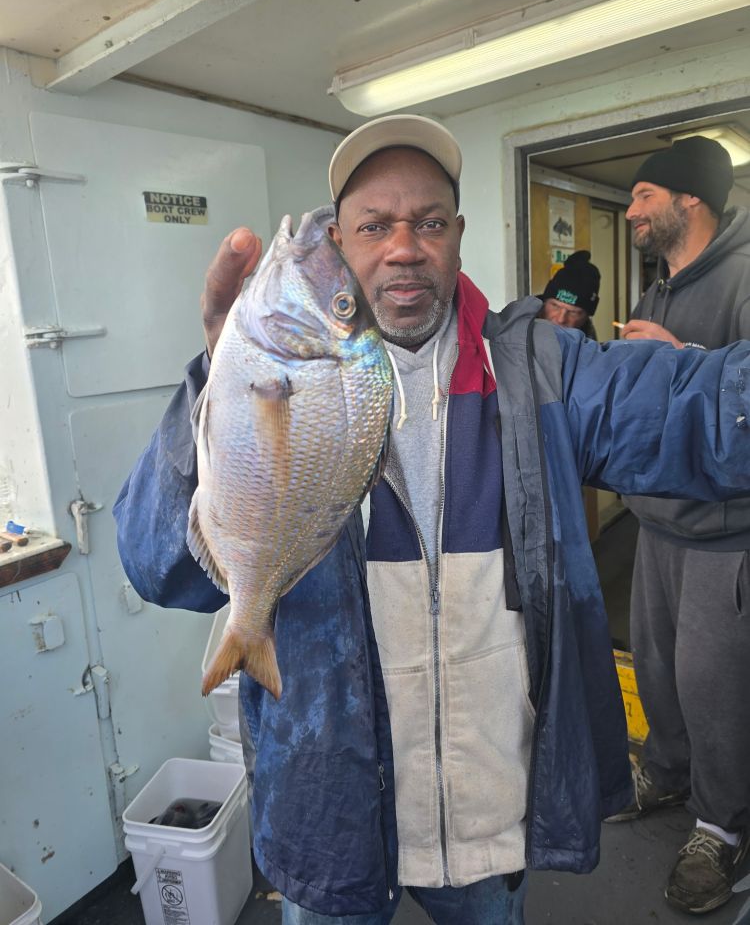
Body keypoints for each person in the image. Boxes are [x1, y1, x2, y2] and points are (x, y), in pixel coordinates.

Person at [113, 116, 750, 925]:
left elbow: (698, 411)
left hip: (489, 821)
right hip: (332, 816)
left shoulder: (539, 370)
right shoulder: (262, 378)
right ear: (340, 241)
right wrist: (219, 387)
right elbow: (152, 564)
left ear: (458, 236)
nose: (404, 246)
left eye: (430, 222)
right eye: (375, 225)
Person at [606, 135, 750, 916]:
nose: (631, 209)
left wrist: (681, 356)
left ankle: (722, 828)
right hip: (656, 522)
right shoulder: (653, 290)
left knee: (715, 688)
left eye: (643, 196)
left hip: (726, 531)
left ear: (689, 199)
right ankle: (664, 772)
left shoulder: (744, 274)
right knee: (657, 671)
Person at [538, 249, 601, 337]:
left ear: (585, 317)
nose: (561, 319)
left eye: (573, 312)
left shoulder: (588, 343)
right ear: (544, 302)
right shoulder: (517, 326)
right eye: (555, 306)